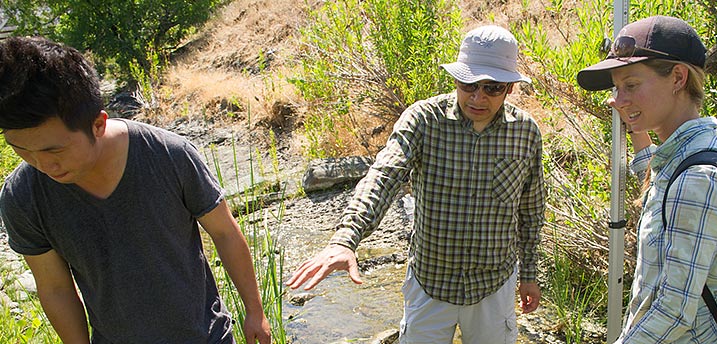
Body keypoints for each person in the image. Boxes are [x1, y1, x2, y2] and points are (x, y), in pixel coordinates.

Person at [0, 37, 271, 343]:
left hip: (206, 336)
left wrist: (254, 312)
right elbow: (55, 288)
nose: (42, 164)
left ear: (98, 124)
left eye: (55, 150)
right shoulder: (22, 197)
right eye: (23, 150)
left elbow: (224, 232)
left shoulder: (169, 155)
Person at [287, 25, 546, 344]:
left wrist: (530, 275)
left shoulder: (526, 133)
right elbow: (384, 174)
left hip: (493, 286)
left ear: (509, 88)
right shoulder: (423, 120)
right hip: (429, 283)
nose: (478, 97)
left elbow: (531, 211)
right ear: (456, 79)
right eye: (468, 84)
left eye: (492, 87)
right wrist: (346, 239)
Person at [577, 16, 717, 343]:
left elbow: (674, 310)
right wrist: (637, 125)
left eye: (631, 85)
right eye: (615, 87)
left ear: (678, 78)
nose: (615, 99)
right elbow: (656, 179)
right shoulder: (691, 156)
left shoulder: (697, 179)